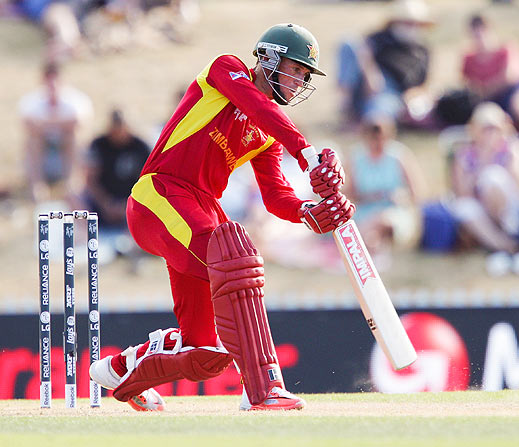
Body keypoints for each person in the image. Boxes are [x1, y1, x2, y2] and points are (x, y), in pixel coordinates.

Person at [88, 23, 355, 412]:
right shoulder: (225, 70)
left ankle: (120, 372)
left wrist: (308, 213)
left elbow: (276, 195)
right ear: (269, 57)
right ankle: (263, 387)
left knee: (206, 354)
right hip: (159, 195)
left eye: (304, 76)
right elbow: (257, 106)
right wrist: (306, 153)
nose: (298, 82)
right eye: (295, 69)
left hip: (199, 207)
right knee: (236, 258)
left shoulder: (265, 135)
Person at [450, 102, 519, 275]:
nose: (490, 133)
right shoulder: (463, 155)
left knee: (492, 177)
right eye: (485, 128)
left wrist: (488, 164)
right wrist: (483, 159)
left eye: (493, 128)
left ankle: (508, 242)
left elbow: (515, 180)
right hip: (481, 211)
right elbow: (462, 193)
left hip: (511, 212)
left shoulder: (514, 149)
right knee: (464, 208)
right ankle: (508, 247)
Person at [336, 0, 434, 127]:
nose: (412, 28)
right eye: (408, 23)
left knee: (380, 110)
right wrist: (370, 73)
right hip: (364, 85)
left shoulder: (422, 51)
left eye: (416, 24)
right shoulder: (379, 39)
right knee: (348, 43)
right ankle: (346, 105)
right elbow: (359, 50)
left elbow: (421, 85)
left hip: (393, 94)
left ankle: (369, 126)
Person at [460, 14, 519, 147]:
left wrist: (487, 89)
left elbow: (511, 76)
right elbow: (467, 84)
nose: (480, 39)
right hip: (493, 99)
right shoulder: (469, 58)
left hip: (517, 88)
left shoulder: (506, 49)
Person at [346, 115, 423, 257]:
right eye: (374, 138)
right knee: (373, 228)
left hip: (394, 211)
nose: (378, 143)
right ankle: (372, 247)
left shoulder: (399, 155)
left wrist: (402, 197)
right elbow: (349, 195)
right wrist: (370, 197)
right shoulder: (356, 158)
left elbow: (416, 193)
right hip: (364, 211)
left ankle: (365, 246)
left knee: (384, 221)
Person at [18, 61, 93, 203]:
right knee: (34, 139)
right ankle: (37, 186)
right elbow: (29, 126)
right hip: (43, 156)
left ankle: (71, 182)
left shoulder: (75, 99)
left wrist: (45, 124)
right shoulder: (31, 100)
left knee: (71, 137)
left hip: (67, 155)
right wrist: (60, 124)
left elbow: (78, 124)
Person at [81, 109, 150, 260]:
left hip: (131, 202)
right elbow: (90, 179)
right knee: (73, 198)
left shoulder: (141, 147)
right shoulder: (99, 144)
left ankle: (133, 245)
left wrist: (127, 204)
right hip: (102, 201)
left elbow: (148, 183)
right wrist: (105, 203)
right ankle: (85, 241)